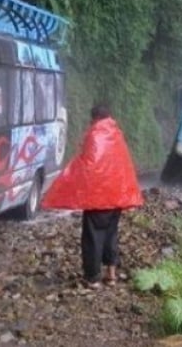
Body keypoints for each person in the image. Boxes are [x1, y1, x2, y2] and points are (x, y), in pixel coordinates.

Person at [41, 103, 143, 288]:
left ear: (94, 118)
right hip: (116, 199)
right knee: (111, 235)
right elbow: (123, 166)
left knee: (93, 237)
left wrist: (69, 178)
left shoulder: (94, 134)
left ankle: (93, 278)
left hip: (98, 199)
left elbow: (88, 165)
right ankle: (111, 275)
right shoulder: (117, 135)